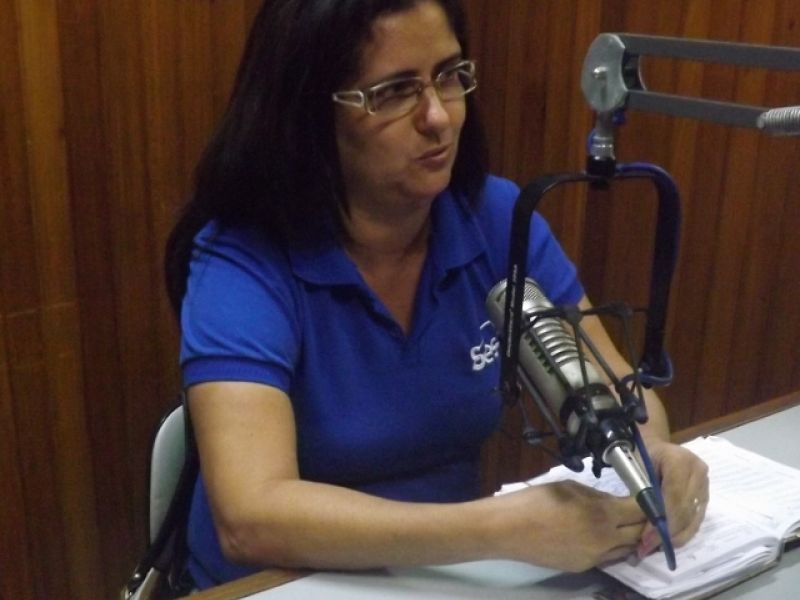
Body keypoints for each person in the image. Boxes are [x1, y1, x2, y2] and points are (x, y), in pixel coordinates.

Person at [164, 0, 709, 590]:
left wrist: (655, 452)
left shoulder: (496, 219)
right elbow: (250, 517)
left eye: (449, 76)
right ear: (310, 112)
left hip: (439, 580)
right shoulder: (243, 257)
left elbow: (615, 384)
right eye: (396, 92)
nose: (439, 116)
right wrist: (500, 528)